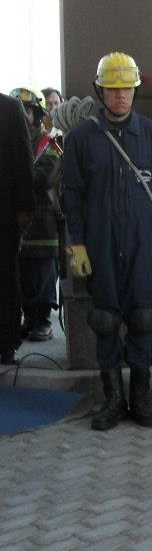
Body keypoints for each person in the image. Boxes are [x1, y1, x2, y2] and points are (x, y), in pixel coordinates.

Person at [60, 52, 152, 430]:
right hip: (100, 245)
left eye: (126, 88)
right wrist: (75, 243)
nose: (120, 96)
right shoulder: (81, 139)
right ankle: (112, 399)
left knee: (143, 319)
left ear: (135, 90)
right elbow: (71, 194)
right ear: (100, 91)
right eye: (113, 89)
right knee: (105, 320)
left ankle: (140, 397)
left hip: (145, 244)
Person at [11, 88, 62, 343]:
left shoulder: (48, 146)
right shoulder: (8, 142)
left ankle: (41, 321)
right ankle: (28, 319)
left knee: (41, 275)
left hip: (43, 225)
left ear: (38, 115)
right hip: (15, 225)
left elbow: (41, 179)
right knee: (20, 276)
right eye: (18, 110)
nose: (23, 115)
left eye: (27, 110)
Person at [0, 91, 35, 365]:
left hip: (4, 212)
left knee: (5, 276)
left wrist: (25, 208)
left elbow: (24, 161)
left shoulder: (10, 108)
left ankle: (6, 342)